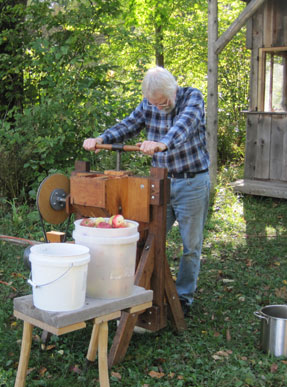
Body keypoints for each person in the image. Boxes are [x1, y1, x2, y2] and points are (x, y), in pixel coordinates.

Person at [83, 67, 210, 316]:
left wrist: (163, 143)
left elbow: (183, 126)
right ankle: (149, 289)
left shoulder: (192, 97)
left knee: (191, 245)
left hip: (191, 183)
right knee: (148, 239)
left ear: (174, 88)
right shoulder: (148, 104)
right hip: (158, 185)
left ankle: (182, 298)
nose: (160, 107)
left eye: (164, 102)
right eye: (155, 103)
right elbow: (129, 125)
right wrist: (101, 138)